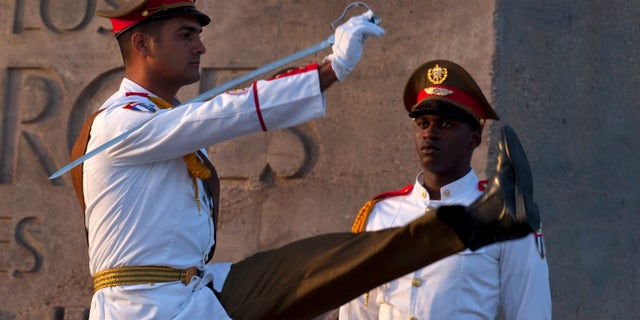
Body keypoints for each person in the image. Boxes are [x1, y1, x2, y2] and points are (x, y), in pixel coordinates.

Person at [70, 1, 542, 319]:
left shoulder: (156, 122)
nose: (201, 46)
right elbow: (223, 113)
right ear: (142, 44)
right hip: (141, 306)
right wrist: (329, 70)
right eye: (186, 34)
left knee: (318, 263)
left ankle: (472, 224)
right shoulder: (120, 124)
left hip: (197, 291)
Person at [339, 60, 552, 320]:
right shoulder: (380, 215)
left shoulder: (504, 214)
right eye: (423, 123)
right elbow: (358, 314)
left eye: (446, 125)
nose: (430, 133)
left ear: (474, 137)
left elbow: (531, 312)